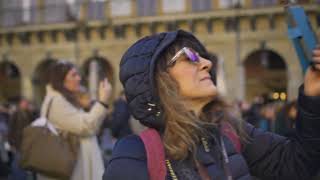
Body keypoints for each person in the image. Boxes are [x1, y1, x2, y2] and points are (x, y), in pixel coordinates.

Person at [104, 30, 320, 180]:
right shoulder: (134, 153)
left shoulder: (231, 131)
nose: (207, 63)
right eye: (189, 56)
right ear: (157, 79)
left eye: (202, 57)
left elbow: (297, 163)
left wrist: (311, 96)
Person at [38, 60, 112, 180]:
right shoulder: (56, 101)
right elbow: (86, 126)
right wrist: (102, 102)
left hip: (74, 168)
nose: (78, 78)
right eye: (73, 75)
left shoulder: (62, 99)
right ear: (61, 79)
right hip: (71, 170)